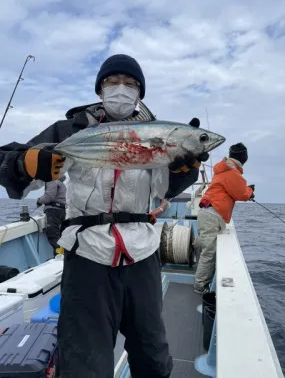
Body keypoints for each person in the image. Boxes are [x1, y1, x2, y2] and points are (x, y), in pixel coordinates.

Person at [0, 54, 210, 378]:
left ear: (140, 92)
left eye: (130, 83)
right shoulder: (70, 129)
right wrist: (24, 164)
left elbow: (163, 189)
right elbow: (9, 161)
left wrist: (184, 171)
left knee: (153, 359)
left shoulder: (158, 135)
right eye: (113, 81)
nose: (121, 88)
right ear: (100, 89)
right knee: (85, 366)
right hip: (87, 257)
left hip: (142, 255)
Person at [194, 143, 255, 295]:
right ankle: (199, 286)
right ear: (244, 157)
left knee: (205, 248)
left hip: (207, 213)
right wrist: (250, 191)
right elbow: (241, 193)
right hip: (213, 215)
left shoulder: (223, 169)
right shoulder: (232, 173)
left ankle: (200, 279)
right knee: (209, 253)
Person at [36, 175, 67, 256]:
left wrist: (39, 200)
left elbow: (49, 197)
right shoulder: (62, 184)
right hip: (62, 211)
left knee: (53, 235)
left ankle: (59, 256)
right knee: (60, 234)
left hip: (53, 211)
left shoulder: (52, 181)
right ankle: (63, 255)